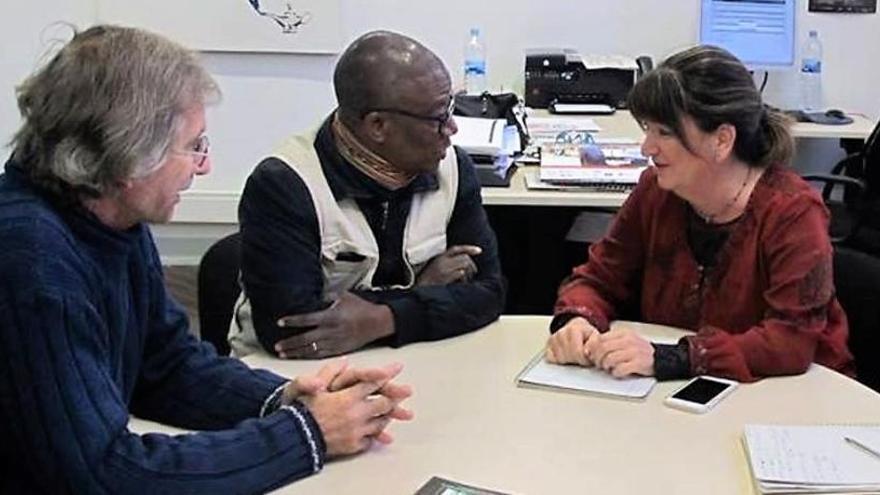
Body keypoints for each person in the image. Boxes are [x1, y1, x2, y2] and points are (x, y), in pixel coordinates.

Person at [0, 25, 412, 493]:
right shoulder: (32, 264)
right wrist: (307, 433)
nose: (206, 165)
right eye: (194, 145)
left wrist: (284, 399)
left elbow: (165, 367)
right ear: (127, 154)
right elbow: (102, 475)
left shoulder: (107, 218)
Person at [545, 45, 855, 383]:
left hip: (796, 397)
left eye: (664, 133)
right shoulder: (656, 191)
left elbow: (788, 342)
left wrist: (674, 358)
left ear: (722, 140)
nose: (646, 148)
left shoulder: (792, 214)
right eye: (648, 128)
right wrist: (577, 320)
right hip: (685, 396)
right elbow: (599, 278)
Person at [228, 30, 504, 359]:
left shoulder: (454, 169)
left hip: (415, 361)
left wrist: (383, 319)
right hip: (290, 377)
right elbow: (292, 332)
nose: (452, 129)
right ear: (377, 126)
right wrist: (422, 293)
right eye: (437, 118)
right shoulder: (284, 184)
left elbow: (490, 293)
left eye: (451, 108)